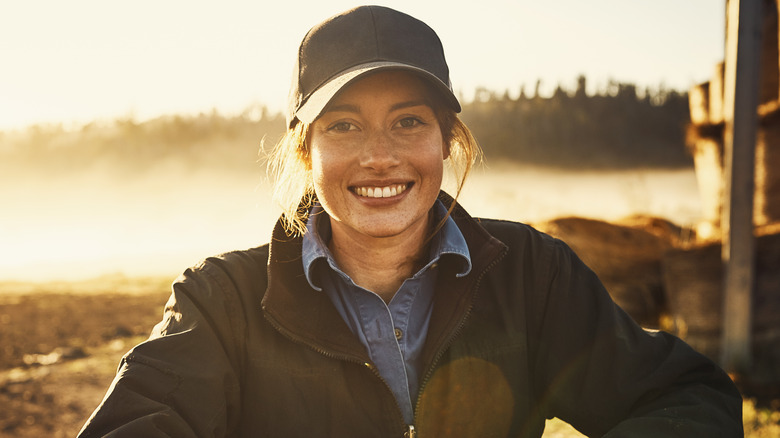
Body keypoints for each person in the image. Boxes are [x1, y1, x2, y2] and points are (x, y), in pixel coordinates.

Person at [79, 5, 743, 437]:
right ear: (305, 151)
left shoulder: (530, 274)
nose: (379, 155)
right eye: (344, 125)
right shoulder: (222, 301)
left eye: (408, 121)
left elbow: (690, 398)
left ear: (447, 139)